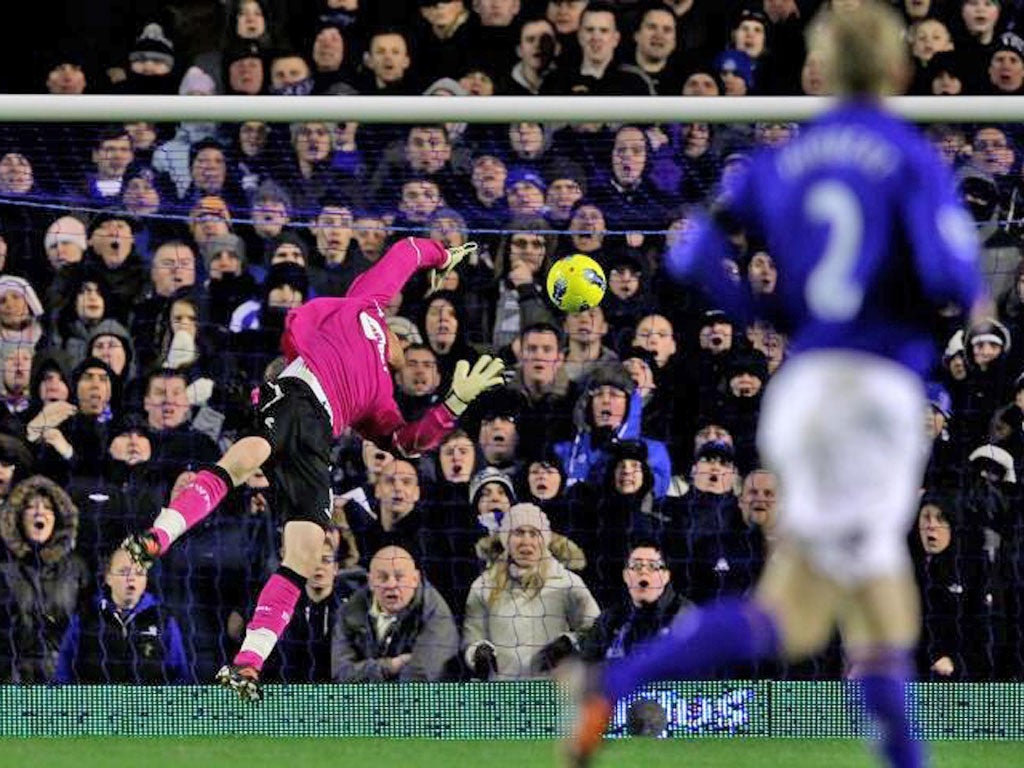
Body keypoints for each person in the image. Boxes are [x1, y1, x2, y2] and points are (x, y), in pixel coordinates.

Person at [567, 4, 988, 767]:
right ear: (898, 70)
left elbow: (693, 255)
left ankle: (904, 756)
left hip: (801, 389)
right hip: (873, 393)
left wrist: (768, 313)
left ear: (816, 71)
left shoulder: (780, 161)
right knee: (798, 617)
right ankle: (617, 680)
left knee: (880, 600)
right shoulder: (908, 156)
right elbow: (951, 276)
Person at [122, 237, 504, 700]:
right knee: (248, 456)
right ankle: (157, 536)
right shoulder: (368, 303)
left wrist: (456, 401)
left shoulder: (380, 403)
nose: (405, 345)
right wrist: (444, 256)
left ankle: (247, 664)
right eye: (404, 336)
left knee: (305, 549)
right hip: (298, 394)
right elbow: (406, 252)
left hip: (320, 438)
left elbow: (408, 443)